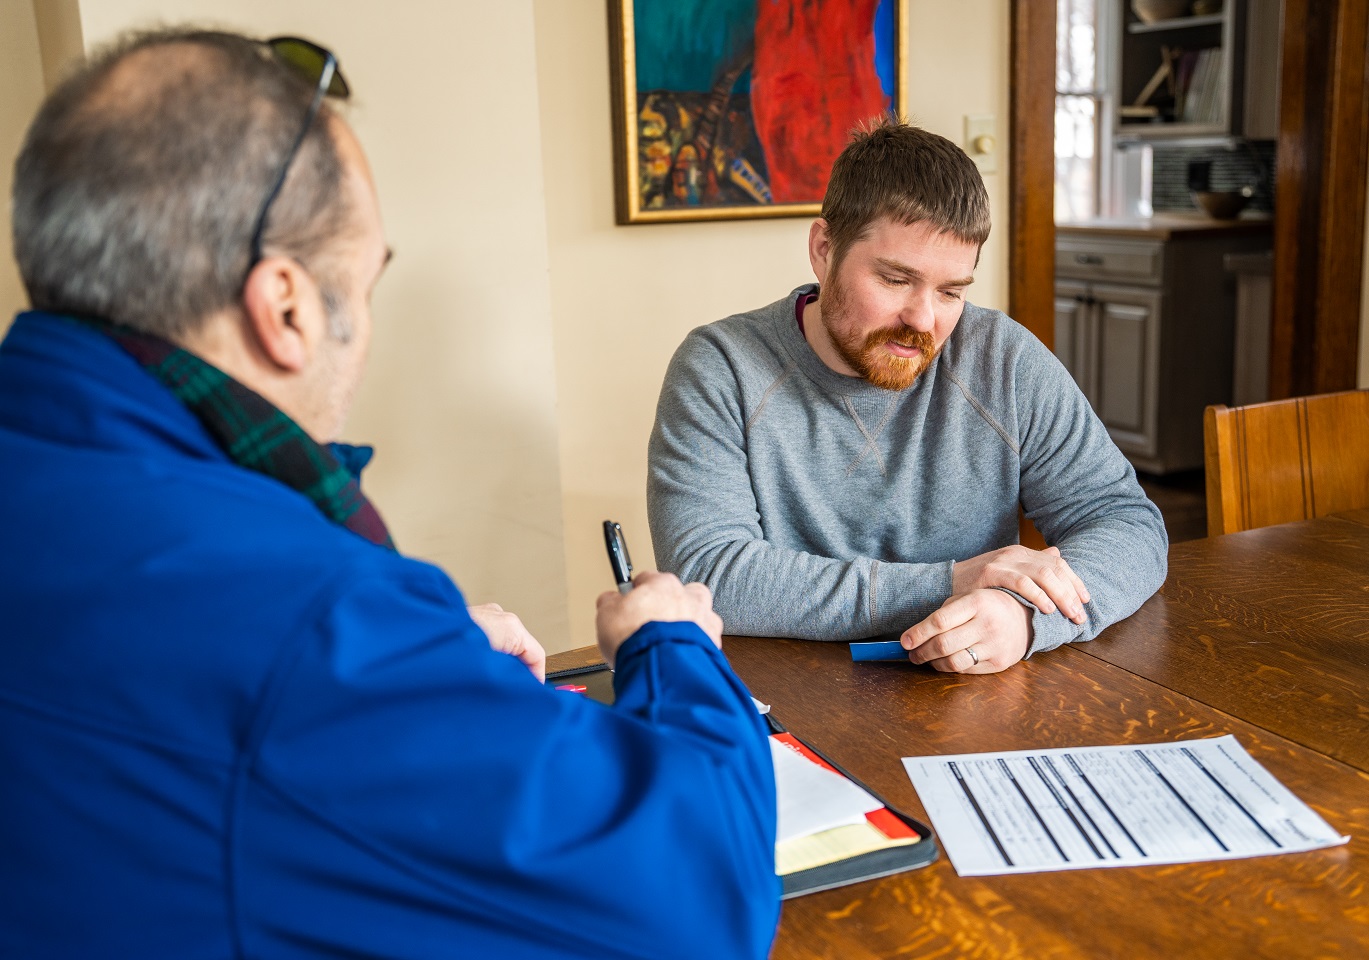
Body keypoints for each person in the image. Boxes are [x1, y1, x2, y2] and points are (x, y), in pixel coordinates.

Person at [0, 29, 778, 959]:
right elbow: (703, 901)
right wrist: (673, 647)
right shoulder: (308, 620)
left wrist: (418, 659)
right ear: (286, 309)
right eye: (366, 287)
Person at [647, 118, 1167, 674]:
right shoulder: (720, 367)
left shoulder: (1003, 360)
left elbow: (1125, 523)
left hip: (971, 698)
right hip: (785, 702)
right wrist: (952, 582)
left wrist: (1025, 617)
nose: (923, 320)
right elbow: (708, 575)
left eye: (950, 291)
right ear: (824, 250)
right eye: (896, 280)